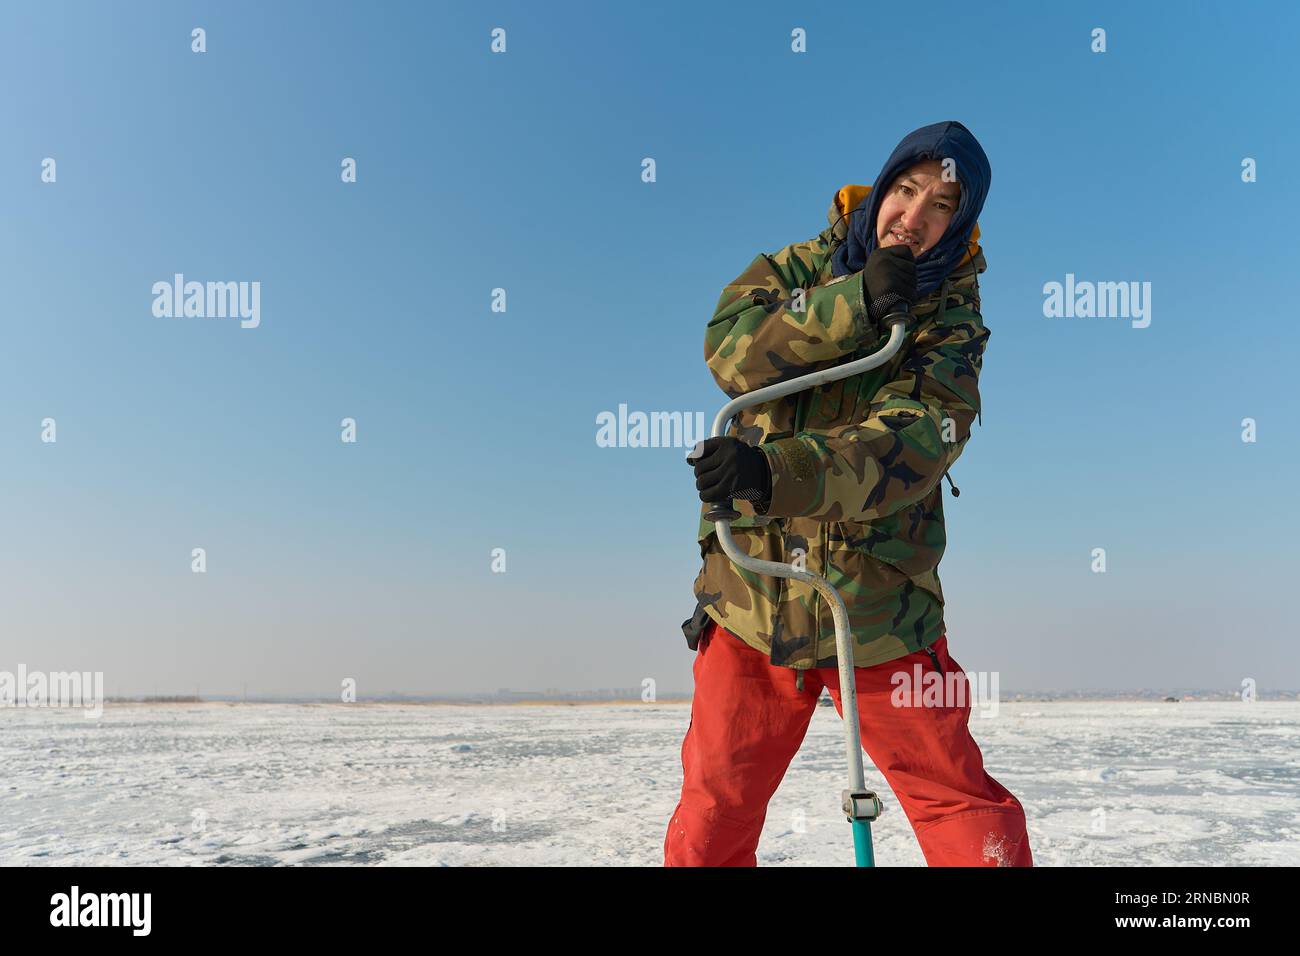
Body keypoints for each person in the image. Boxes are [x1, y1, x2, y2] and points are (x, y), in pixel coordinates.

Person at [666, 120, 1032, 867]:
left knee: (967, 816)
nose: (914, 215)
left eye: (940, 206)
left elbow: (916, 441)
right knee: (713, 816)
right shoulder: (798, 265)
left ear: (958, 225)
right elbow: (729, 350)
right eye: (906, 190)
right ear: (882, 189)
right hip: (751, 600)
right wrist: (853, 303)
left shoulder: (952, 323)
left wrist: (774, 474)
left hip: (879, 613)